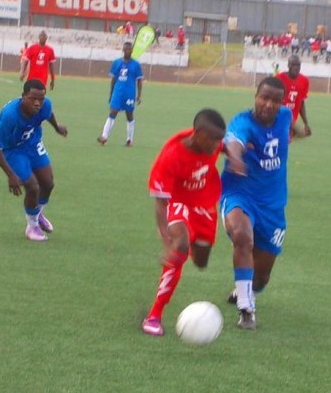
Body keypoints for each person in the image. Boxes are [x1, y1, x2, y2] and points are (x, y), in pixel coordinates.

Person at [141, 109, 229, 336]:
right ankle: (154, 315)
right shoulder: (171, 156)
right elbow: (161, 201)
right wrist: (166, 237)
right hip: (177, 201)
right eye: (213, 139)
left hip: (204, 204)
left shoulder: (213, 142)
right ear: (198, 134)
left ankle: (187, 247)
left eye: (219, 139)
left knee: (201, 261)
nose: (216, 144)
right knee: (180, 244)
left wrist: (238, 158)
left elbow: (228, 147)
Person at [222, 77, 293, 330]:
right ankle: (246, 309)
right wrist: (236, 157)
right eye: (264, 97)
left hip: (273, 206)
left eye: (275, 100)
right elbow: (234, 141)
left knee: (261, 278)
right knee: (242, 236)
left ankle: (246, 288)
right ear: (255, 96)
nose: (269, 104)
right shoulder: (243, 122)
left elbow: (287, 132)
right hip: (240, 194)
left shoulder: (286, 117)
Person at [0, 79, 68, 241]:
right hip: (13, 150)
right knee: (32, 187)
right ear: (23, 96)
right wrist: (10, 175)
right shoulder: (10, 116)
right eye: (33, 98)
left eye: (41, 98)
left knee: (48, 183)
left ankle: (37, 214)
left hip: (33, 144)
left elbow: (48, 113)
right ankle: (32, 227)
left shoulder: (44, 105)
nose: (37, 103)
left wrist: (56, 126)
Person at [97, 41, 144, 147]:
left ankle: (129, 140)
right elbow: (113, 79)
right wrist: (111, 93)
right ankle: (104, 136)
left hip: (129, 93)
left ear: (132, 50)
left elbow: (139, 80)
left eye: (130, 49)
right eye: (126, 49)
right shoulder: (116, 63)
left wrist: (139, 95)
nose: (128, 51)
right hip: (118, 92)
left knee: (129, 115)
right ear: (123, 50)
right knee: (113, 112)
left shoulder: (136, 65)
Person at [276, 55, 312, 139]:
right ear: (288, 65)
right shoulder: (279, 78)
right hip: (277, 118)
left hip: (291, 120)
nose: (296, 68)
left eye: (298, 65)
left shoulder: (304, 81)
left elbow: (301, 103)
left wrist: (306, 123)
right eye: (293, 65)